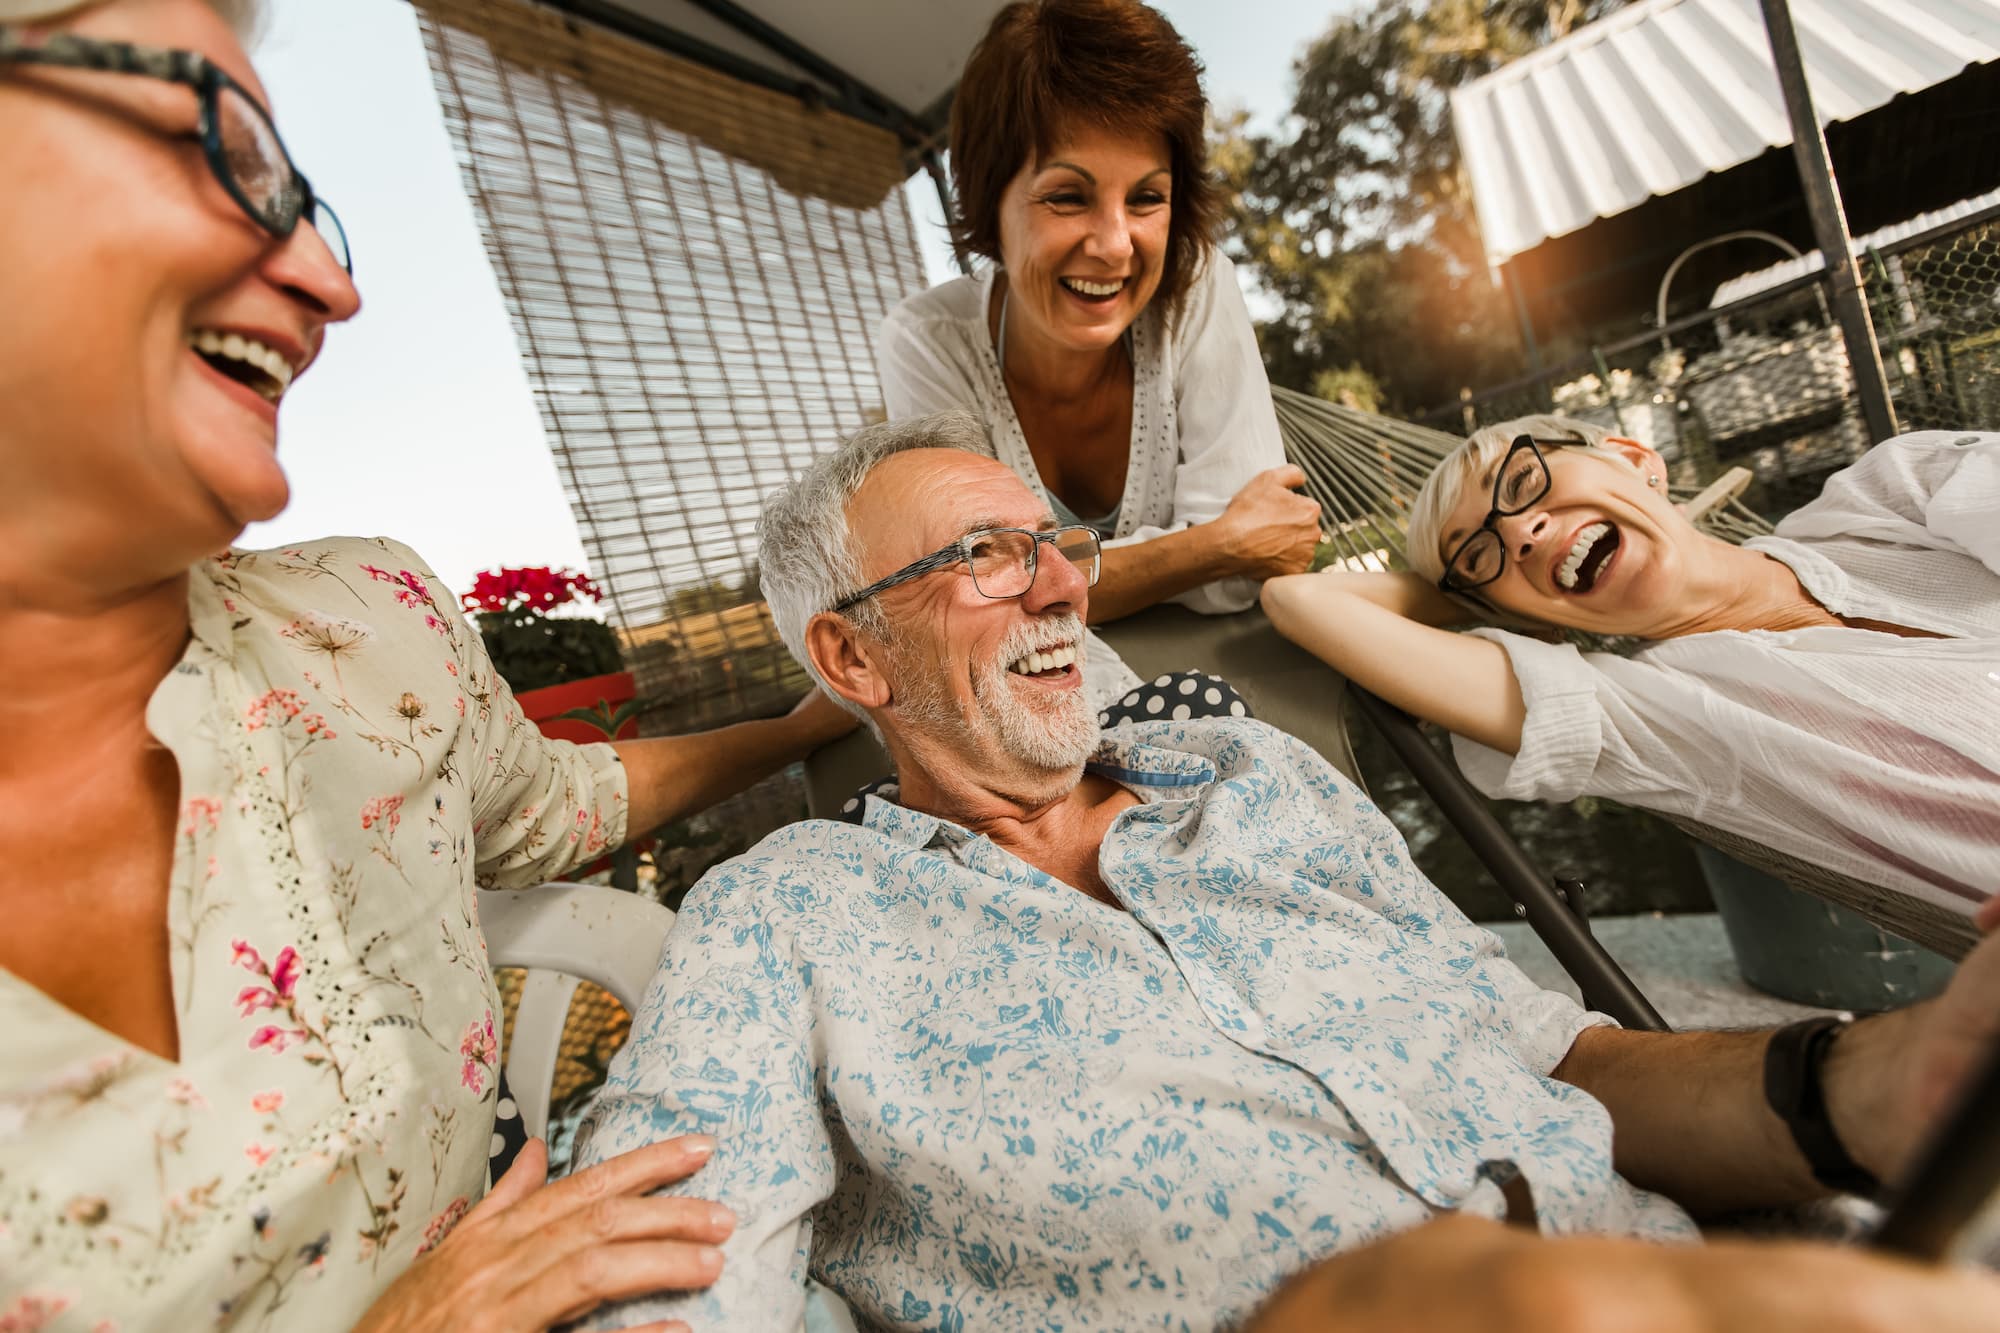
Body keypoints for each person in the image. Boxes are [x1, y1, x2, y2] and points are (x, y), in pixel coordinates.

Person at [568, 411, 2000, 1331]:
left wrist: (1877, 1083)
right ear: (849, 656)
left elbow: (1555, 1061)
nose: (1065, 580)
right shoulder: (787, 913)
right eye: (985, 557)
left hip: (1674, 1278)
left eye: (1059, 545)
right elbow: (667, 1279)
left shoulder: (1250, 783)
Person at [0, 2, 851, 1326]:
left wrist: (803, 726)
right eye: (218, 153)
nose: (332, 289)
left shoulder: (367, 617)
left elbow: (567, 807)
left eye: (306, 209)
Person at [1261, 415, 2000, 920]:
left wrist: (1487, 576)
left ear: (1637, 459)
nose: (1518, 530)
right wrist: (1475, 597)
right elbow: (1300, 600)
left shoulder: (1892, 495)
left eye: (1522, 483)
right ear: (1524, 620)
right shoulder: (1653, 716)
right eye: (1482, 552)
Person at [875, 0, 1322, 708]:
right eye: (1067, 197)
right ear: (992, 203)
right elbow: (981, 603)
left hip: (1241, 686)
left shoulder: (1197, 284)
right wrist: (1215, 544)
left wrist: (1049, 574)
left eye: (1147, 198)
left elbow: (1244, 583)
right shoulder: (926, 344)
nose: (1115, 245)